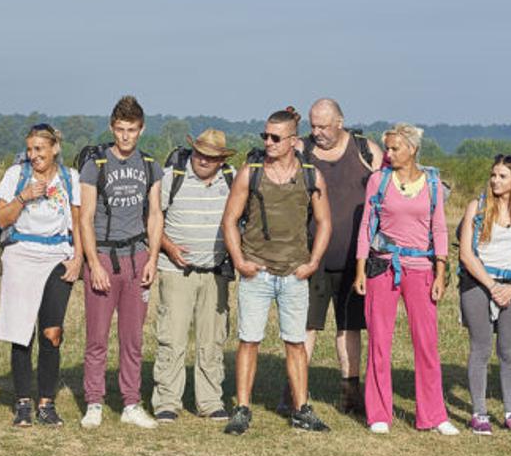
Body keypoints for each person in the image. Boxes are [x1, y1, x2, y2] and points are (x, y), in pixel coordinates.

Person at [221, 108, 333, 434]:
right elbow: (229, 220)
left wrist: (313, 261)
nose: (268, 142)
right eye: (265, 136)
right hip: (257, 272)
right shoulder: (250, 172)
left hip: (294, 273)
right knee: (249, 340)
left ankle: (301, 409)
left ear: (293, 141)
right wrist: (240, 261)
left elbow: (325, 222)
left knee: (296, 343)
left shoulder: (311, 175)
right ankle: (242, 409)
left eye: (275, 137)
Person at [355, 124, 454, 435]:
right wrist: (360, 269)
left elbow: (439, 229)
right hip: (382, 266)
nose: (389, 154)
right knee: (379, 340)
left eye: (395, 148)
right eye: (388, 148)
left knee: (427, 343)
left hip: (421, 268)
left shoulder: (433, 184)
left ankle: (434, 415)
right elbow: (366, 227)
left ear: (412, 149)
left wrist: (440, 271)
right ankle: (379, 414)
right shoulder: (378, 181)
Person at [77, 95, 163, 429]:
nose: (125, 136)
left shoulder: (149, 165)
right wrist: (93, 264)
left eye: (132, 130)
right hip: (103, 253)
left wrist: (153, 259)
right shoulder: (95, 164)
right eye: (120, 129)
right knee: (97, 337)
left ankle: (131, 402)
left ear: (141, 129)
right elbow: (85, 217)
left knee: (133, 338)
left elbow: (155, 214)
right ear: (112, 128)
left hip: (137, 255)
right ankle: (94, 402)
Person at [0, 123, 83, 427]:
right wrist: (23, 197)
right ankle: (22, 403)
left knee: (52, 332)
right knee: (21, 333)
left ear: (55, 148)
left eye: (39, 149)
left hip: (57, 256)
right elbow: (0, 218)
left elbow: (79, 221)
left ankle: (46, 401)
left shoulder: (70, 178)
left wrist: (78, 258)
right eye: (30, 149)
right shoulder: (16, 177)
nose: (33, 155)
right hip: (21, 255)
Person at [300, 98, 383, 417]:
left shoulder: (365, 150)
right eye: (313, 125)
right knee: (305, 326)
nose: (317, 132)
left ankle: (350, 393)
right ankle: (297, 389)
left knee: (349, 327)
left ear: (340, 122)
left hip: (355, 258)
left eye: (323, 125)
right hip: (310, 257)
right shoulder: (301, 151)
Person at [152, 129, 236, 423]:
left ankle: (210, 400)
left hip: (216, 271)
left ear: (221, 159)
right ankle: (167, 401)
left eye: (211, 157)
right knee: (171, 338)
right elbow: (152, 218)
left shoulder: (232, 179)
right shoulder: (171, 178)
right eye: (200, 153)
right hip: (176, 271)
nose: (203, 160)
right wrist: (169, 246)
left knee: (212, 340)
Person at [456, 154, 511, 436]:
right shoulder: (477, 207)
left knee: (509, 351)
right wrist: (491, 287)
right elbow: (466, 253)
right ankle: (479, 412)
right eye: (493, 175)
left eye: (502, 176)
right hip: (479, 283)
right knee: (480, 348)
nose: (495, 180)